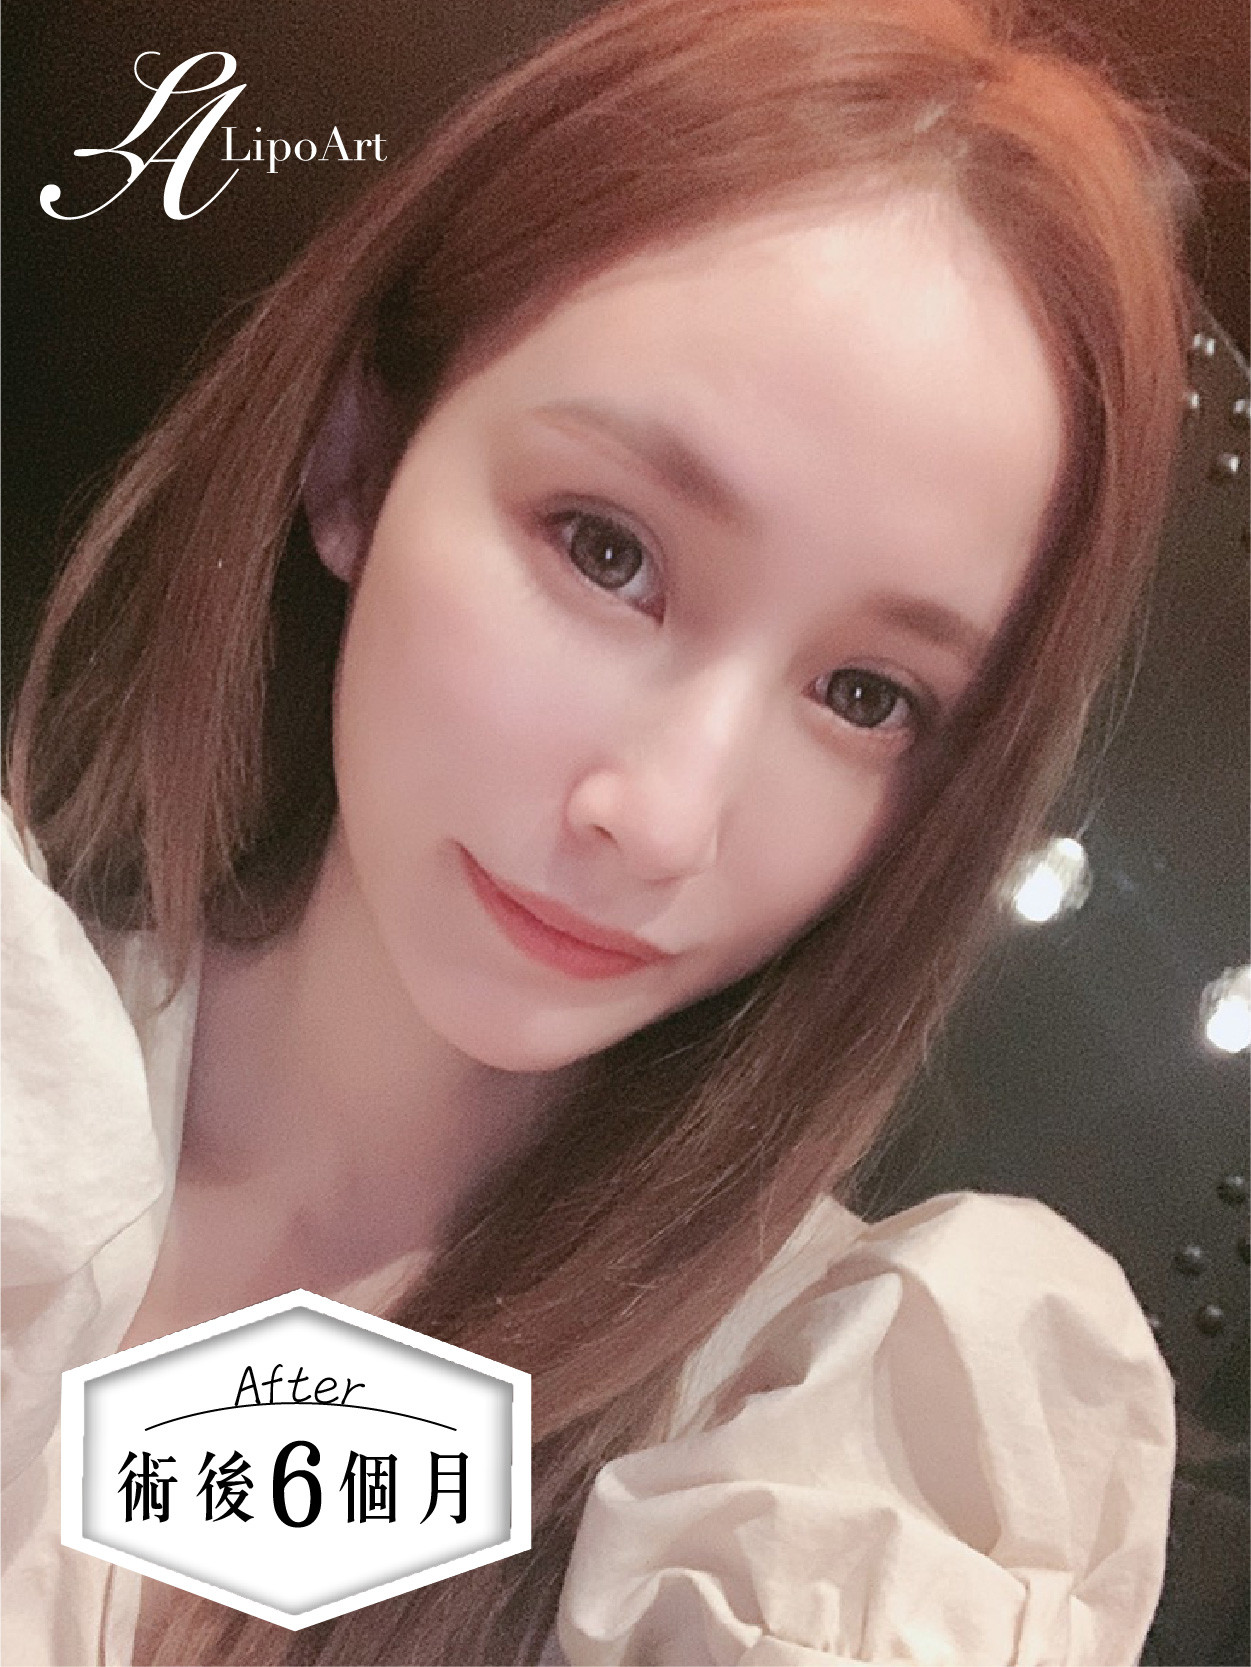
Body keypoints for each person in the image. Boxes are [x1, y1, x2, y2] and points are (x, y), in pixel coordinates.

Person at [2, 0, 1192, 1661]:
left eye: (866, 696)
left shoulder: (808, 1482)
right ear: (358, 461)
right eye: (605, 549)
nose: (661, 820)